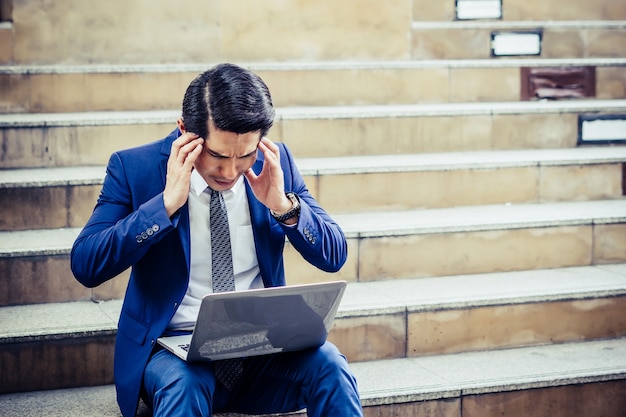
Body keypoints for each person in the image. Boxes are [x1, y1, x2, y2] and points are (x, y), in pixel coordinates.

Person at [70, 63, 363, 417]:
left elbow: (334, 254)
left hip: (262, 352)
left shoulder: (274, 162)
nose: (230, 171)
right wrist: (163, 207)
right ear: (185, 131)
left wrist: (283, 207)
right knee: (184, 386)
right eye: (219, 155)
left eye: (245, 155)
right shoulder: (136, 168)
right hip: (175, 355)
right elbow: (86, 264)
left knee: (330, 362)